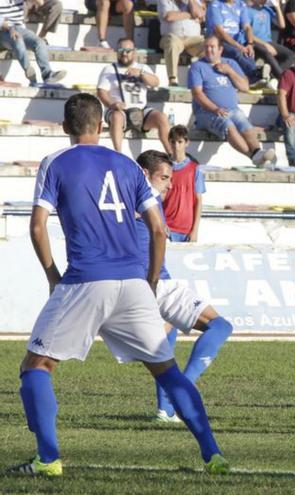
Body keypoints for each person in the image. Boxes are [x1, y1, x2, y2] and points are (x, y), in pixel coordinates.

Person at [6, 93, 229, 476]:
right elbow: (159, 230)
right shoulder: (127, 166)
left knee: (37, 365)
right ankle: (213, 454)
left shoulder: (55, 163)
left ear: (65, 128)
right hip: (134, 281)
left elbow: (37, 225)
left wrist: (52, 277)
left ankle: (47, 459)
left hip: (87, 279)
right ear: (102, 125)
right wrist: (152, 281)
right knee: (167, 371)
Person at [134, 150, 235, 424]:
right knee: (221, 326)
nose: (169, 185)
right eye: (164, 178)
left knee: (167, 333)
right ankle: (184, 389)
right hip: (157, 284)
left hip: (138, 285)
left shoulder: (129, 200)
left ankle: (165, 410)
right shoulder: (146, 198)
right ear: (145, 174)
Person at [189, 35, 276, 167]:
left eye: (212, 47)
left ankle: (258, 152)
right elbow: (197, 94)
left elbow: (245, 87)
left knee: (244, 122)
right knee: (228, 124)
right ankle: (254, 156)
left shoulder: (230, 64)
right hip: (207, 112)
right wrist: (215, 109)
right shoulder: (197, 66)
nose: (209, 50)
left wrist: (229, 71)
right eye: (206, 47)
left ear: (220, 49)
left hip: (232, 109)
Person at [97, 38, 172, 155]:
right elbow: (101, 92)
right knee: (116, 117)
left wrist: (141, 74)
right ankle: (118, 154)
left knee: (162, 117)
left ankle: (172, 155)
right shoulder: (109, 69)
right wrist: (112, 104)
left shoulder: (142, 68)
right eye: (121, 50)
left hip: (141, 110)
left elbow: (156, 82)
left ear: (134, 52)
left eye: (128, 50)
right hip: (119, 110)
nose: (124, 53)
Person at [0, 0, 65, 86]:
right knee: (17, 40)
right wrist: (10, 29)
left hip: (19, 28)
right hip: (3, 30)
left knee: (39, 42)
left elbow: (40, 3)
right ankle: (28, 70)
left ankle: (47, 74)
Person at [205, 0, 264, 85]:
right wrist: (239, 46)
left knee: (249, 52)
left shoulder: (241, 4)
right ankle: (256, 76)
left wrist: (250, 44)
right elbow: (219, 31)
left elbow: (247, 27)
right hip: (220, 41)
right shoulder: (215, 4)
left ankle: (253, 79)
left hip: (238, 42)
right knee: (236, 52)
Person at [163, 125, 205, 242]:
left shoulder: (195, 169)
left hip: (186, 230)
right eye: (173, 142)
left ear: (187, 143)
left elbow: (198, 201)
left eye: (180, 142)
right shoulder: (164, 168)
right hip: (166, 229)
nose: (176, 146)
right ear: (169, 143)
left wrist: (195, 231)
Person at [158, 0, 205, 87]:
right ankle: (172, 79)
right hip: (173, 37)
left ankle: (205, 80)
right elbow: (169, 16)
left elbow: (199, 14)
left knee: (208, 44)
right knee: (172, 42)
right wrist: (189, 14)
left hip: (193, 40)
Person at [248, 0, 295, 83]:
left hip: (268, 42)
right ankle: (282, 81)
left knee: (290, 55)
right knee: (268, 54)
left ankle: (272, 77)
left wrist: (277, 8)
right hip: (254, 42)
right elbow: (248, 34)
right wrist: (266, 45)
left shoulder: (267, 10)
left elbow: (282, 25)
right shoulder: (248, 11)